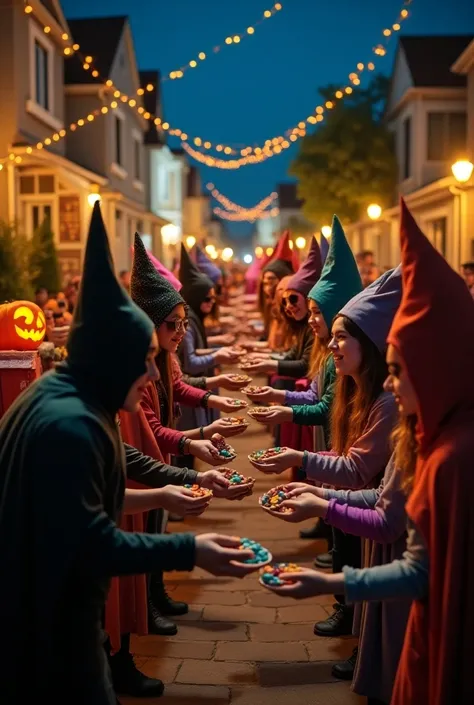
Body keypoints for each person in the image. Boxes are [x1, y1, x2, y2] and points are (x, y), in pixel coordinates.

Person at [0, 202, 259, 704]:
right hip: (44, 629)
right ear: (111, 357)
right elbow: (93, 543)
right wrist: (192, 549)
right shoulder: (70, 425)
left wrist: (173, 490)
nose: (150, 377)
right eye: (143, 361)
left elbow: (101, 493)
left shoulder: (69, 398)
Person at [250, 267, 401, 676]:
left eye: (340, 336)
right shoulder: (358, 386)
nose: (331, 344)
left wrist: (307, 474)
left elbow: (365, 482)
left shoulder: (387, 404)